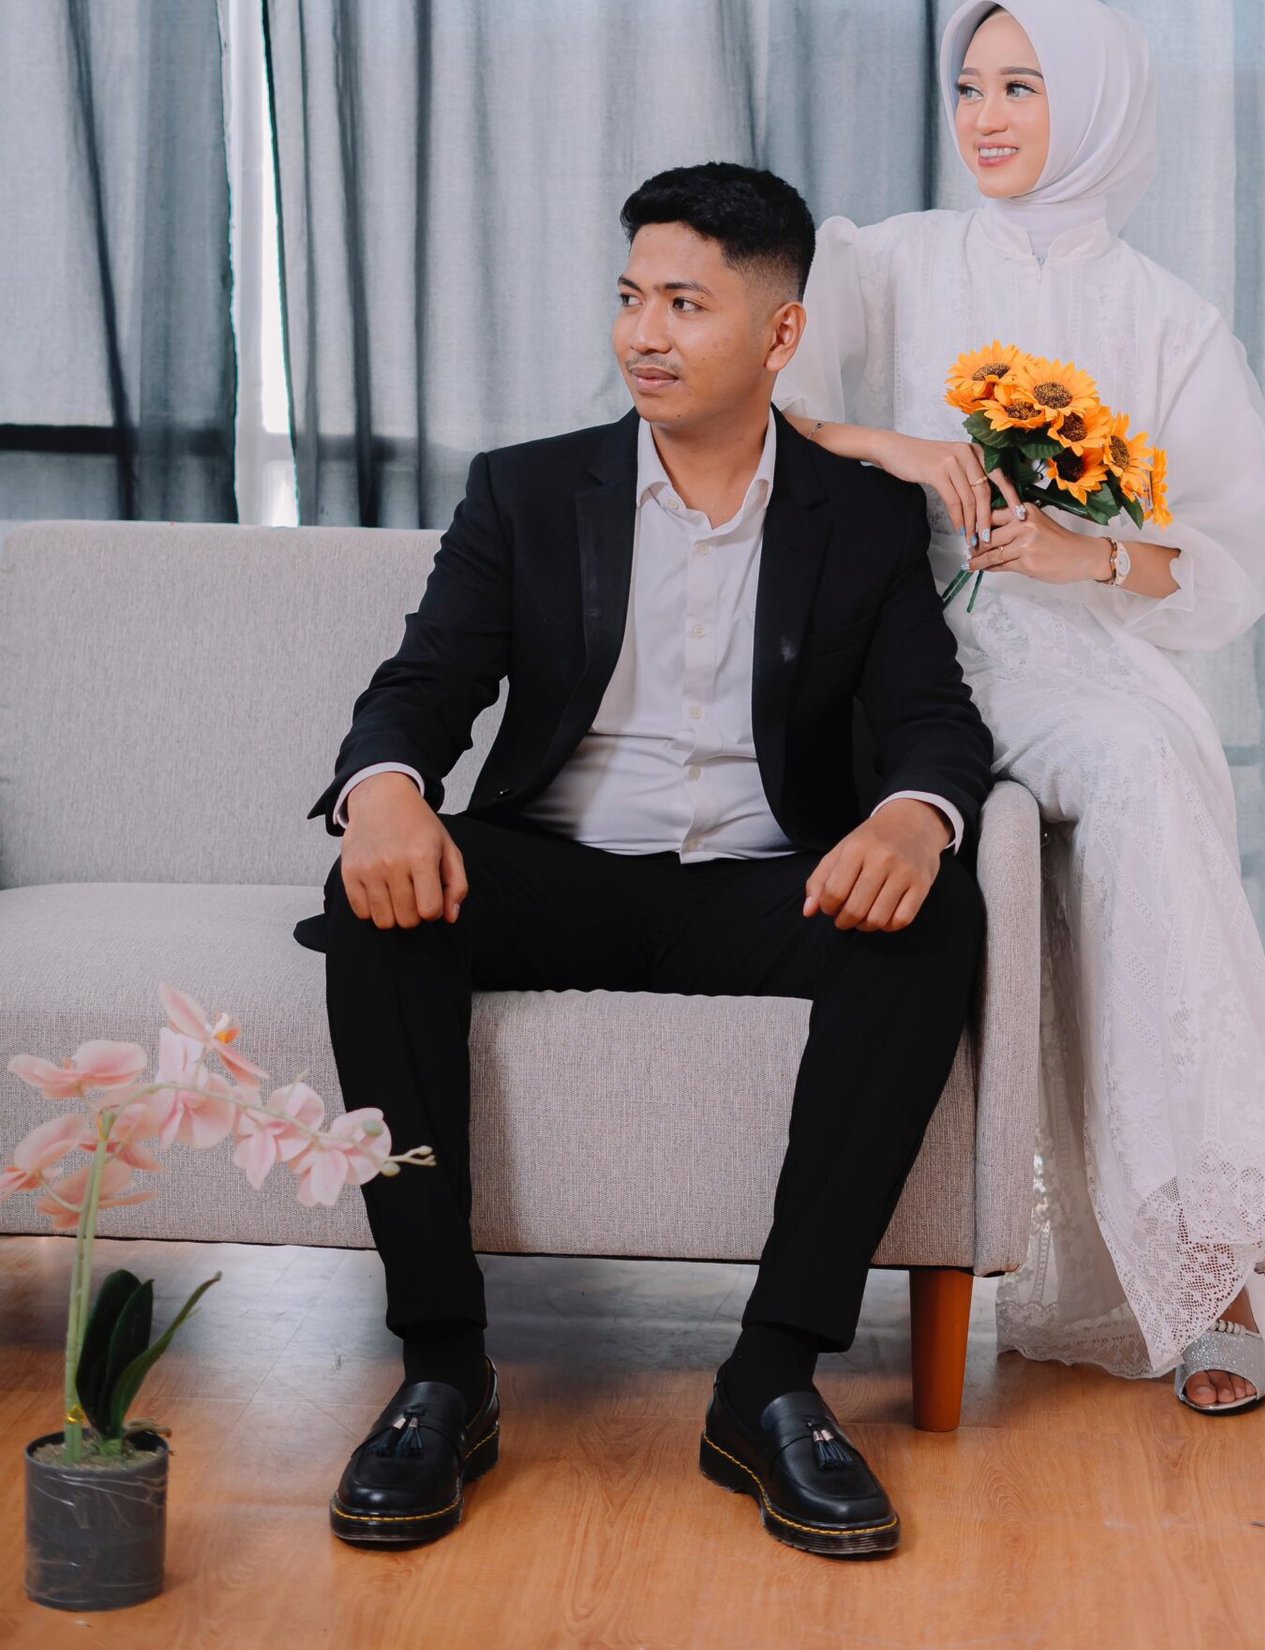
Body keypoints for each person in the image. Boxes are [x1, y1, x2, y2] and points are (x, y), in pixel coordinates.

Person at [294, 162, 991, 1557]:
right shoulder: (528, 491)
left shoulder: (858, 517)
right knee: (374, 905)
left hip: (764, 883)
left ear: (781, 334)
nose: (643, 336)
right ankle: (443, 1369)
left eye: (685, 304)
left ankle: (771, 1379)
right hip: (560, 869)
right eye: (631, 298)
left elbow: (934, 721)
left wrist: (916, 815)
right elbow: (424, 686)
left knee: (935, 913)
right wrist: (384, 789)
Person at [775, 0, 1265, 1416]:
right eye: (970, 85)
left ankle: (1241, 1255)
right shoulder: (887, 262)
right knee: (1143, 781)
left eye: (1023, 86)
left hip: (1075, 664)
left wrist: (1086, 554)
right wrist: (894, 445)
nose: (985, 116)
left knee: (1141, 769)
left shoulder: (1170, 317)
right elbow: (760, 401)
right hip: (908, 665)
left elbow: (1224, 555)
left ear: (1099, 106)